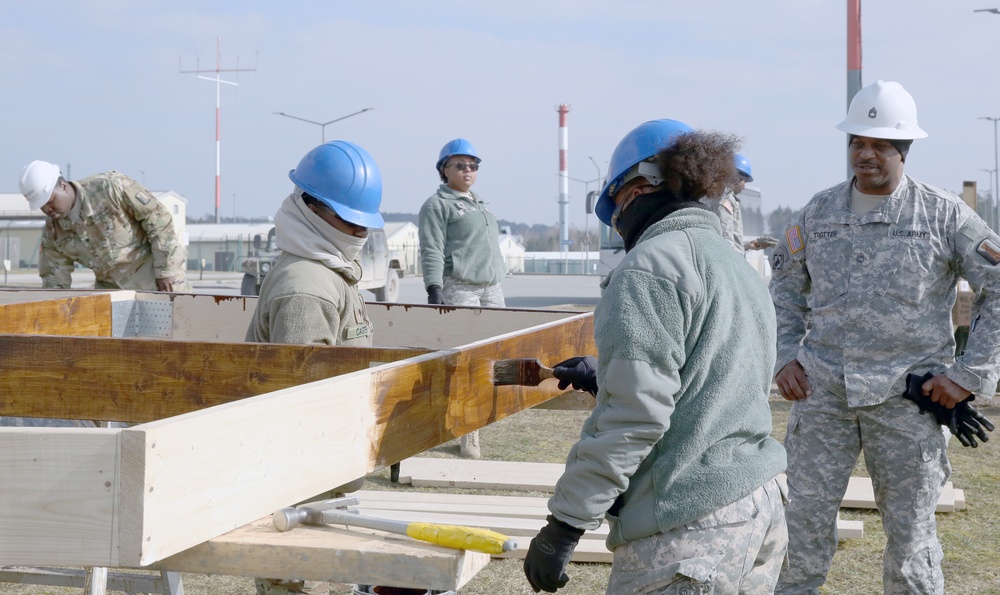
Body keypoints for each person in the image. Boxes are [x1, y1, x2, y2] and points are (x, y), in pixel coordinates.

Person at [522, 119, 787, 594]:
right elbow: (710, 379)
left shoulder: (650, 268)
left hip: (690, 524)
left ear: (642, 184)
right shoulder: (735, 264)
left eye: (618, 203)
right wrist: (608, 375)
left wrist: (565, 523)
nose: (619, 219)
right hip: (757, 505)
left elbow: (636, 417)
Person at [770, 80, 1000, 594]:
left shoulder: (943, 216)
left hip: (906, 403)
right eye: (857, 142)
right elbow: (784, 288)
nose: (865, 154)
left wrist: (968, 375)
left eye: (879, 145)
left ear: (904, 150)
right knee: (801, 533)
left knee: (911, 544)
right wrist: (785, 355)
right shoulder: (818, 213)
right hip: (822, 396)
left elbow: (999, 288)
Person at [246, 140, 383, 595]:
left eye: (363, 221)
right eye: (350, 218)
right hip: (301, 481)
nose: (359, 231)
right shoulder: (307, 287)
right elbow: (304, 398)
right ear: (313, 208)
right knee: (294, 580)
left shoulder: (328, 265)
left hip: (324, 474)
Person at [418, 138, 506, 459]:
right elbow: (431, 247)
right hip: (460, 287)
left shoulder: (480, 204)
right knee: (467, 359)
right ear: (444, 169)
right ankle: (469, 430)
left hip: (492, 287)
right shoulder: (437, 205)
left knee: (497, 355)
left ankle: (486, 414)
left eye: (473, 165)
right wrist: (433, 288)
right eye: (460, 165)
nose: (468, 170)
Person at [18, 160, 189, 291]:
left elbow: (157, 219)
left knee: (184, 329)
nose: (47, 209)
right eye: (41, 205)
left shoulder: (110, 188)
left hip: (157, 279)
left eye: (50, 200)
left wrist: (166, 271)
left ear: (62, 185)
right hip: (111, 293)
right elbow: (54, 278)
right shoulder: (53, 232)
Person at [703, 153, 776, 254]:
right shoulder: (726, 200)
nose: (744, 186)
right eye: (745, 181)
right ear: (736, 178)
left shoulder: (725, 198)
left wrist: (747, 246)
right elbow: (726, 238)